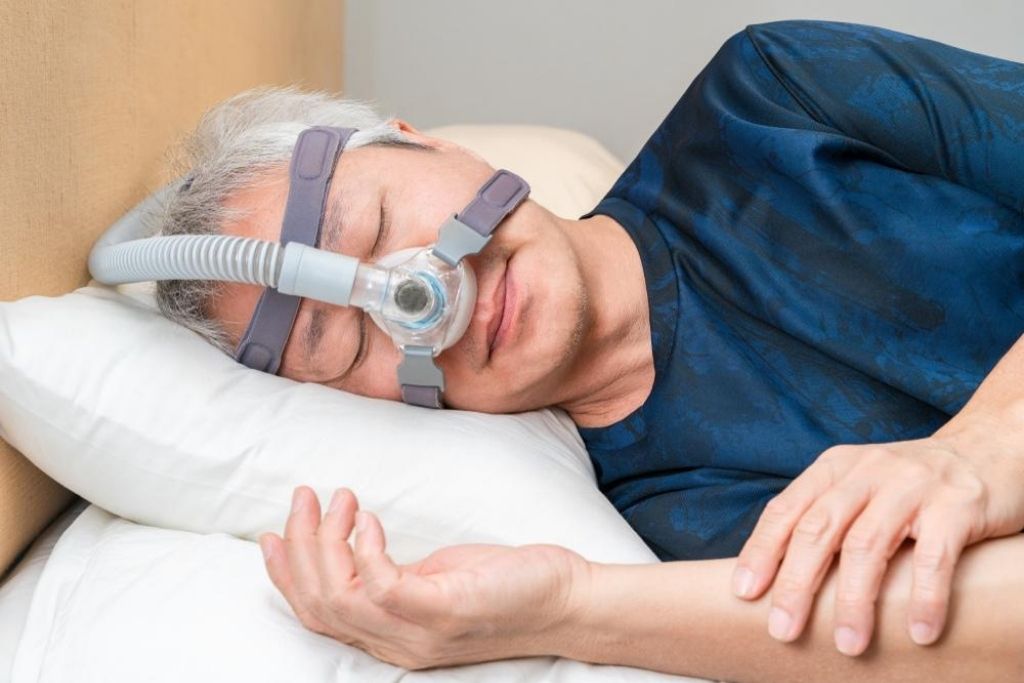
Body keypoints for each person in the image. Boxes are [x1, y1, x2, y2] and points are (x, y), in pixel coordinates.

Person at [156, 20, 1024, 678]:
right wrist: (566, 604)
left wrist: (981, 449)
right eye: (346, 340)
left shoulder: (771, 98)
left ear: (427, 143)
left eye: (381, 224)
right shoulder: (651, 518)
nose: (418, 294)